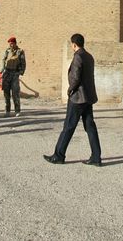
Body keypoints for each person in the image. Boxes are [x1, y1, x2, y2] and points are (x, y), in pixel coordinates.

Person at [44, 33, 101, 166]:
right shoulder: (89, 56)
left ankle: (58, 155)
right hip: (88, 97)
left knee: (68, 126)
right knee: (90, 127)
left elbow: (75, 77)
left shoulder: (78, 57)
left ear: (74, 44)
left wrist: (70, 89)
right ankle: (96, 157)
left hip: (77, 97)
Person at [0, 36, 26, 117]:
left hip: (14, 74)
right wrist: (2, 70)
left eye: (12, 43)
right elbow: (4, 60)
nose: (10, 45)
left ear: (15, 43)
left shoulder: (20, 51)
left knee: (15, 93)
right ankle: (7, 110)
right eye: (9, 44)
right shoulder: (7, 51)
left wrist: (20, 72)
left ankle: (17, 110)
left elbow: (23, 62)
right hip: (7, 73)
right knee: (6, 93)